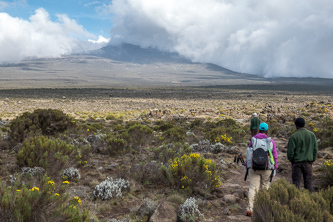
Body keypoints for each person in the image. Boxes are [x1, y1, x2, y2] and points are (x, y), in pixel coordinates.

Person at [246, 122, 278, 217]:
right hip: (267, 168)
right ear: (267, 130)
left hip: (254, 167)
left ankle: (250, 209)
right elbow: (275, 155)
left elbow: (249, 153)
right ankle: (264, 209)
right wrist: (274, 167)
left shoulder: (253, 140)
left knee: (253, 188)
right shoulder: (270, 141)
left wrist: (247, 166)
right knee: (265, 186)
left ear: (259, 129)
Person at [287, 117, 317, 192]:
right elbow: (315, 149)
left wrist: (292, 160)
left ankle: (296, 200)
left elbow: (290, 152)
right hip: (308, 163)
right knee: (308, 183)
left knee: (296, 183)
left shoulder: (293, 136)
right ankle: (310, 200)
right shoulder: (312, 135)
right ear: (304, 124)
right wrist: (312, 159)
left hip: (297, 163)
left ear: (296, 125)